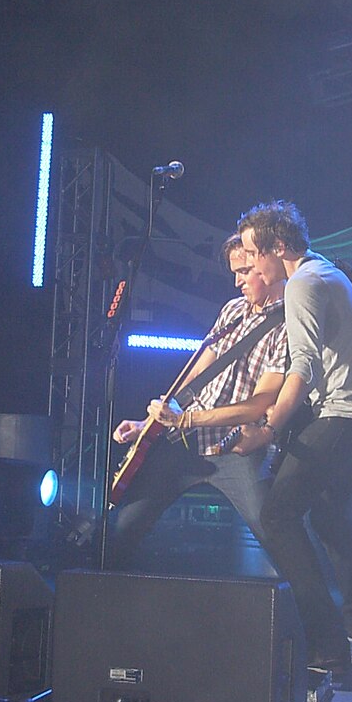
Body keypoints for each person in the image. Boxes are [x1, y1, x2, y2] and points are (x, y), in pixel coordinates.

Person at [236, 200, 352, 674]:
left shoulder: (304, 282)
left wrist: (268, 428)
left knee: (278, 515)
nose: (246, 262)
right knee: (325, 516)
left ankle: (326, 641)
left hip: (344, 416)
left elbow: (302, 364)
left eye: (251, 252)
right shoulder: (322, 270)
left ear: (277, 248)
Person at [109, 234, 288, 563]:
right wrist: (147, 424)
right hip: (185, 440)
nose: (236, 282)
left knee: (277, 537)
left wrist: (186, 419)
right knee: (121, 530)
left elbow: (261, 402)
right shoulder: (232, 310)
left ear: (267, 268)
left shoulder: (289, 323)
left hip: (237, 449)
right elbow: (193, 378)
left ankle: (316, 609)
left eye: (244, 271)